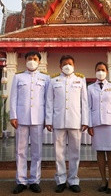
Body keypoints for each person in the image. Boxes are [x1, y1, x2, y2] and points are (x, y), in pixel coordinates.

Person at [45, 55, 88, 193]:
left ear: (74, 65)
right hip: (58, 121)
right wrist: (48, 120)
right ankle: (61, 180)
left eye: (69, 63)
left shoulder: (80, 80)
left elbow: (84, 102)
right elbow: (49, 102)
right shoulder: (54, 80)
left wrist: (85, 120)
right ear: (60, 66)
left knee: (75, 152)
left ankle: (73, 179)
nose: (67, 66)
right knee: (59, 153)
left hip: (75, 121)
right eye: (64, 63)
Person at [10, 51, 50, 194]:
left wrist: (47, 118)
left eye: (34, 59)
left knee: (36, 152)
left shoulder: (45, 78)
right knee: (20, 151)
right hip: (21, 118)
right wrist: (13, 116)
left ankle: (34, 180)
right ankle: (21, 180)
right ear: (25, 60)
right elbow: (13, 97)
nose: (32, 61)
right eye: (29, 59)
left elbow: (47, 100)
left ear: (39, 61)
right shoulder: (18, 77)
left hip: (38, 118)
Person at [87, 62, 111, 194]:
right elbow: (88, 107)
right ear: (95, 71)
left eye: (102, 69)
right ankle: (103, 180)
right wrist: (90, 124)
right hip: (96, 124)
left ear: (106, 71)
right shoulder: (90, 88)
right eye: (98, 69)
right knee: (100, 153)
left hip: (110, 123)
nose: (100, 72)